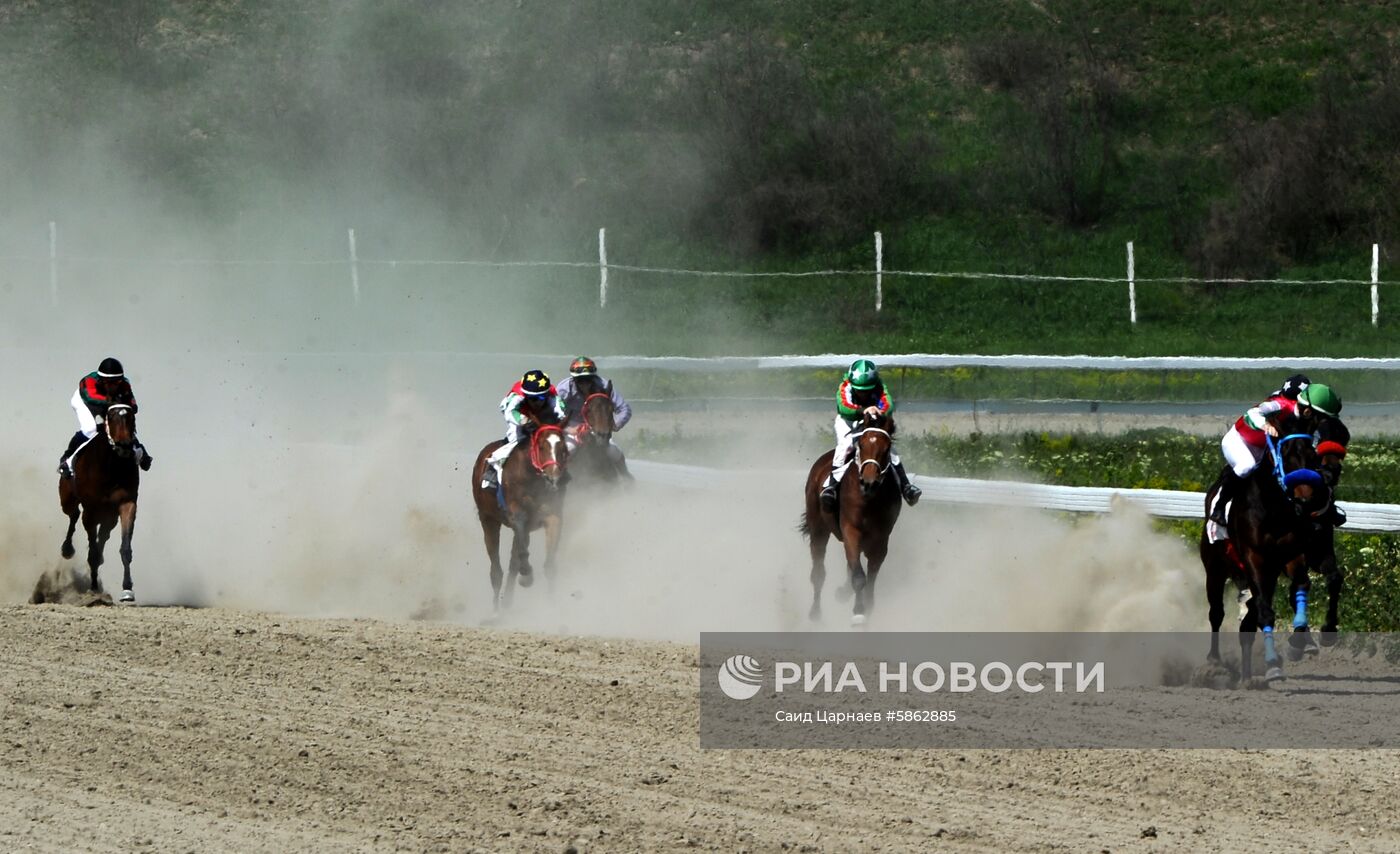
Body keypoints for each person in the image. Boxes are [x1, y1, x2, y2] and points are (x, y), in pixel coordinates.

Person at [1209, 381, 1342, 525]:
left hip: (1265, 445)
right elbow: (1252, 413)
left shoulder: (1304, 419)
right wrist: (1264, 424)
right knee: (1246, 466)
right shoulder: (1280, 404)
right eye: (1321, 418)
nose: (1323, 423)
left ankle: (1327, 508)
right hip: (1241, 441)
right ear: (1308, 412)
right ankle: (1219, 507)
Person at [819, 358, 921, 511]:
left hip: (872, 419)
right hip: (848, 420)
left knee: (888, 449)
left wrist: (880, 411)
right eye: (860, 390)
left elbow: (888, 404)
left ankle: (906, 486)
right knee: (846, 446)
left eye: (867, 390)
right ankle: (831, 487)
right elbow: (843, 407)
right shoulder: (845, 386)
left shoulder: (880, 386)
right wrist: (863, 410)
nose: (863, 394)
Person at [58, 357, 152, 477]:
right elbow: (90, 398)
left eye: (116, 382)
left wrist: (129, 407)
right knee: (90, 428)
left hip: (109, 402)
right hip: (85, 402)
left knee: (122, 424)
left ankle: (140, 452)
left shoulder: (125, 384)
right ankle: (67, 459)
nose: (112, 387)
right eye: (108, 383)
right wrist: (113, 403)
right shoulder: (89, 381)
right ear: (101, 380)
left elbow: (132, 404)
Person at [480, 369, 567, 491]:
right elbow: (510, 412)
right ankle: (492, 471)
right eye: (533, 398)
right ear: (525, 395)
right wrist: (525, 421)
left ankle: (562, 472)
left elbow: (561, 410)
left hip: (542, 416)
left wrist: (559, 423)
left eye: (541, 397)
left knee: (556, 442)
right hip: (519, 416)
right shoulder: (516, 397)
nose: (537, 402)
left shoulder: (552, 395)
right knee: (516, 439)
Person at [556, 356, 633, 476]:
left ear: (594, 377)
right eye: (580, 380)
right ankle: (555, 480)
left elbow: (624, 409)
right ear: (574, 379)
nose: (585, 384)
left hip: (597, 427)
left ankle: (626, 477)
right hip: (572, 427)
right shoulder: (563, 390)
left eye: (588, 379)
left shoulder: (604, 385)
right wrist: (568, 429)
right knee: (569, 449)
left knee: (614, 451)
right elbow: (554, 413)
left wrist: (614, 425)